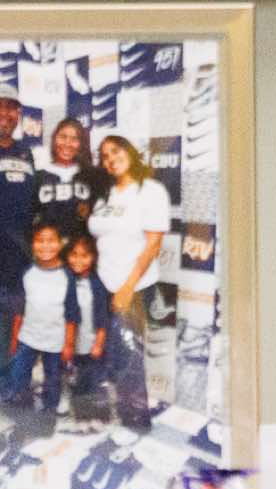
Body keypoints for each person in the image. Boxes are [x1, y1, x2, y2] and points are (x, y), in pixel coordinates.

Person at [86, 135, 168, 430]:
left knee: (129, 356)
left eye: (115, 150)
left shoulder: (151, 190)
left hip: (133, 286)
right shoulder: (105, 195)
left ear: (130, 152)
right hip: (104, 282)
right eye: (104, 155)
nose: (110, 158)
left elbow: (153, 245)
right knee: (112, 352)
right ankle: (118, 410)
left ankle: (136, 420)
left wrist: (127, 287)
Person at [3, 222, 69, 415]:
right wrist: (15, 336)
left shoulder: (66, 276)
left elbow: (72, 312)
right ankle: (17, 393)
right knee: (20, 366)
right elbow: (21, 308)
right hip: (28, 333)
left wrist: (69, 341)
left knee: (53, 372)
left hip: (55, 336)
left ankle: (51, 403)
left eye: (51, 241)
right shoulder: (28, 274)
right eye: (40, 241)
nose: (45, 245)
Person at [61, 235, 119, 424]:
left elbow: (103, 316)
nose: (78, 260)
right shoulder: (64, 279)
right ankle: (74, 408)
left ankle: (91, 412)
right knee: (71, 377)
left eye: (84, 255)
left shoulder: (97, 283)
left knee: (90, 378)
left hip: (90, 343)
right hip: (68, 343)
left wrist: (99, 343)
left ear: (93, 257)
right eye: (74, 254)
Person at [33, 117, 103, 243]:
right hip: (49, 249)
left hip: (81, 250)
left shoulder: (92, 176)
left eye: (74, 139)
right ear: (54, 139)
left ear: (81, 144)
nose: (67, 143)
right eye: (63, 137)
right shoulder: (39, 176)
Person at [0, 98, 34, 349]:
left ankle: (11, 372)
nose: (5, 113)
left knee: (15, 331)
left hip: (18, 258)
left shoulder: (26, 152)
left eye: (11, 108)